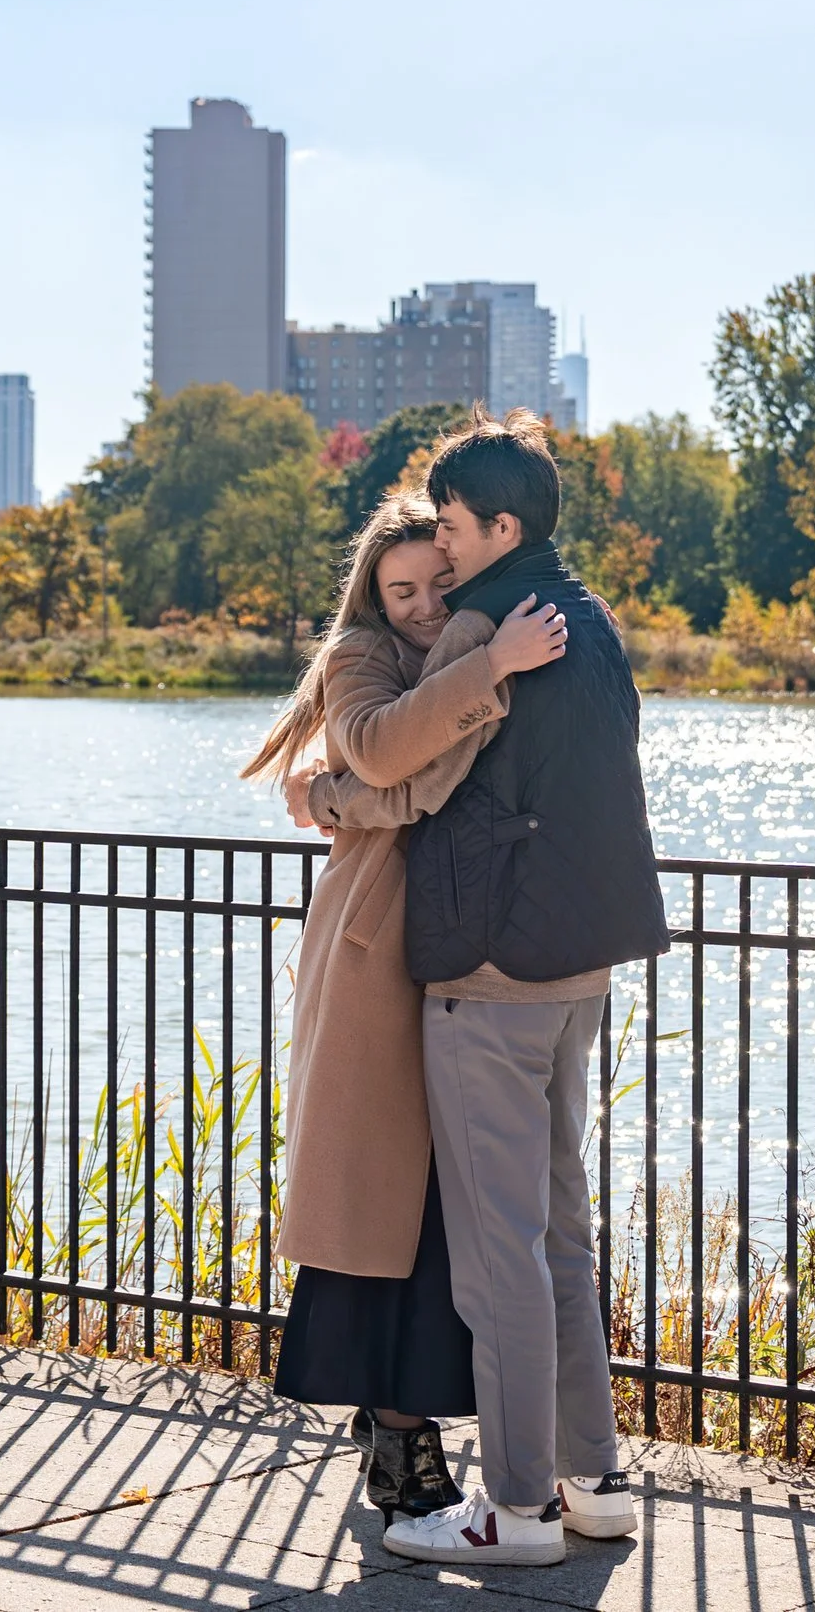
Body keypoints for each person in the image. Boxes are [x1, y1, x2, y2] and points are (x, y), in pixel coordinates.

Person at [318, 412, 670, 1567]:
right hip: (580, 965)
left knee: (498, 1252)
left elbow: (392, 762)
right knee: (560, 1234)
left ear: (500, 526)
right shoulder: (592, 613)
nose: (445, 546)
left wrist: (333, 800)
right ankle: (593, 1481)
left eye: (456, 525)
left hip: (487, 972)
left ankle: (514, 1508)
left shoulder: (489, 620)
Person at [240, 490, 568, 1526]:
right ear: (372, 596)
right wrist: (479, 674)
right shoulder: (359, 656)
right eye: (402, 589)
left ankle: (421, 1427)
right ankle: (398, 1435)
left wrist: (336, 795)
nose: (425, 602)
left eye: (440, 580)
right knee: (389, 1209)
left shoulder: (481, 647)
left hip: (468, 950)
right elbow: (393, 761)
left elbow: (408, 778)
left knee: (453, 1209)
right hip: (380, 953)